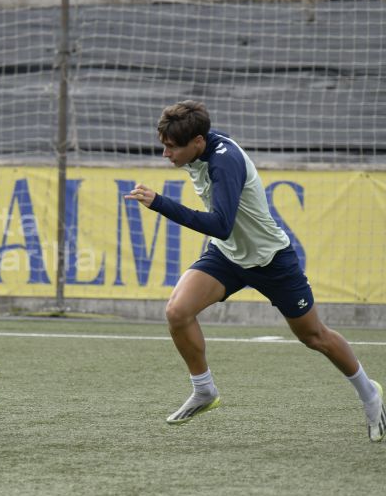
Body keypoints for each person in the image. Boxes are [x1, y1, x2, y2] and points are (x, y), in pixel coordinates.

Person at [124, 100, 385, 441]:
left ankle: (370, 394)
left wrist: (160, 203)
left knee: (314, 336)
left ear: (198, 142)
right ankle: (204, 390)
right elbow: (225, 235)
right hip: (228, 257)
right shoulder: (200, 145)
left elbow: (220, 225)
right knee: (177, 311)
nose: (165, 154)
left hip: (270, 260)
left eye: (171, 147)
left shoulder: (224, 163)